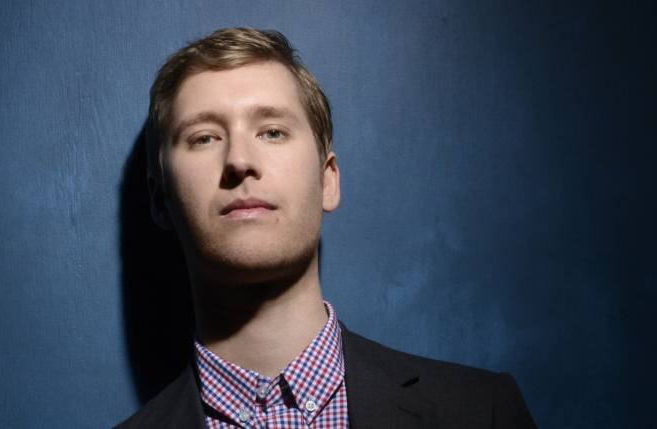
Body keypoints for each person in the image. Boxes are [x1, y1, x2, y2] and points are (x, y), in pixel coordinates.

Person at [115, 27, 537, 429]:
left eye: (272, 132)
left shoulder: (482, 412)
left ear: (327, 180)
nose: (239, 160)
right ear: (160, 199)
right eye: (204, 137)